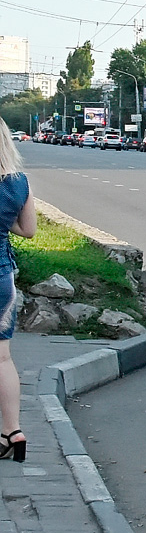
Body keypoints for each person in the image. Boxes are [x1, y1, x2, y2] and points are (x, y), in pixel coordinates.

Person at [0, 121, 36, 463]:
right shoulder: (18, 183)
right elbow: (29, 230)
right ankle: (13, 431)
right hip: (2, 278)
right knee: (2, 358)